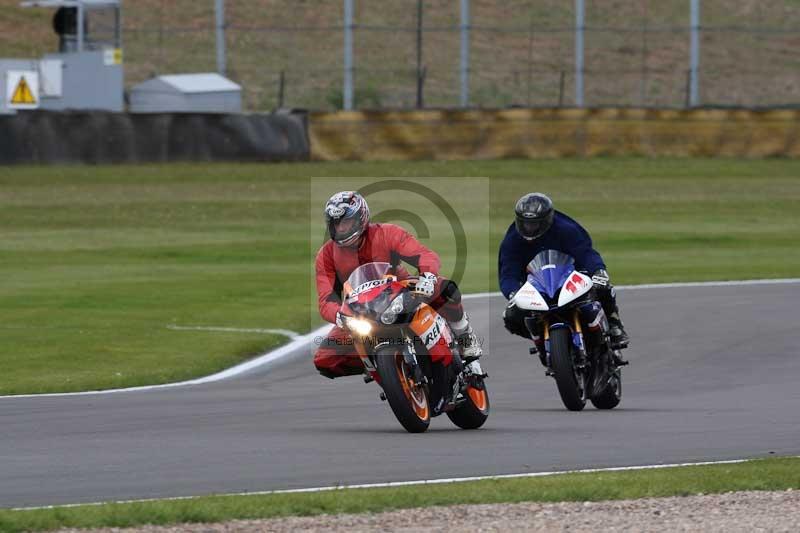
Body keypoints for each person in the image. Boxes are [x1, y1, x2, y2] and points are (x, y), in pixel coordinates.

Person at [314, 191, 482, 408]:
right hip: (359, 311)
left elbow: (423, 254)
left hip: (400, 291)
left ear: (361, 218)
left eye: (345, 222)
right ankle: (386, 370)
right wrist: (340, 316)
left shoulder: (387, 233)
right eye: (336, 224)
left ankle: (466, 340)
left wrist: (428, 276)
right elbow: (325, 299)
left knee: (446, 289)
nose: (341, 229)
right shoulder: (326, 255)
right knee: (324, 359)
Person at [499, 192, 629, 364]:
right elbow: (508, 273)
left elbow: (586, 253)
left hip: (570, 276)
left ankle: (614, 325)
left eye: (534, 224)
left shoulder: (566, 229)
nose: (529, 228)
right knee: (511, 316)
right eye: (525, 223)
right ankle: (540, 340)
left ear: (547, 220)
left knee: (602, 286)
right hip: (538, 285)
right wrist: (513, 293)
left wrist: (598, 271)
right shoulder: (512, 239)